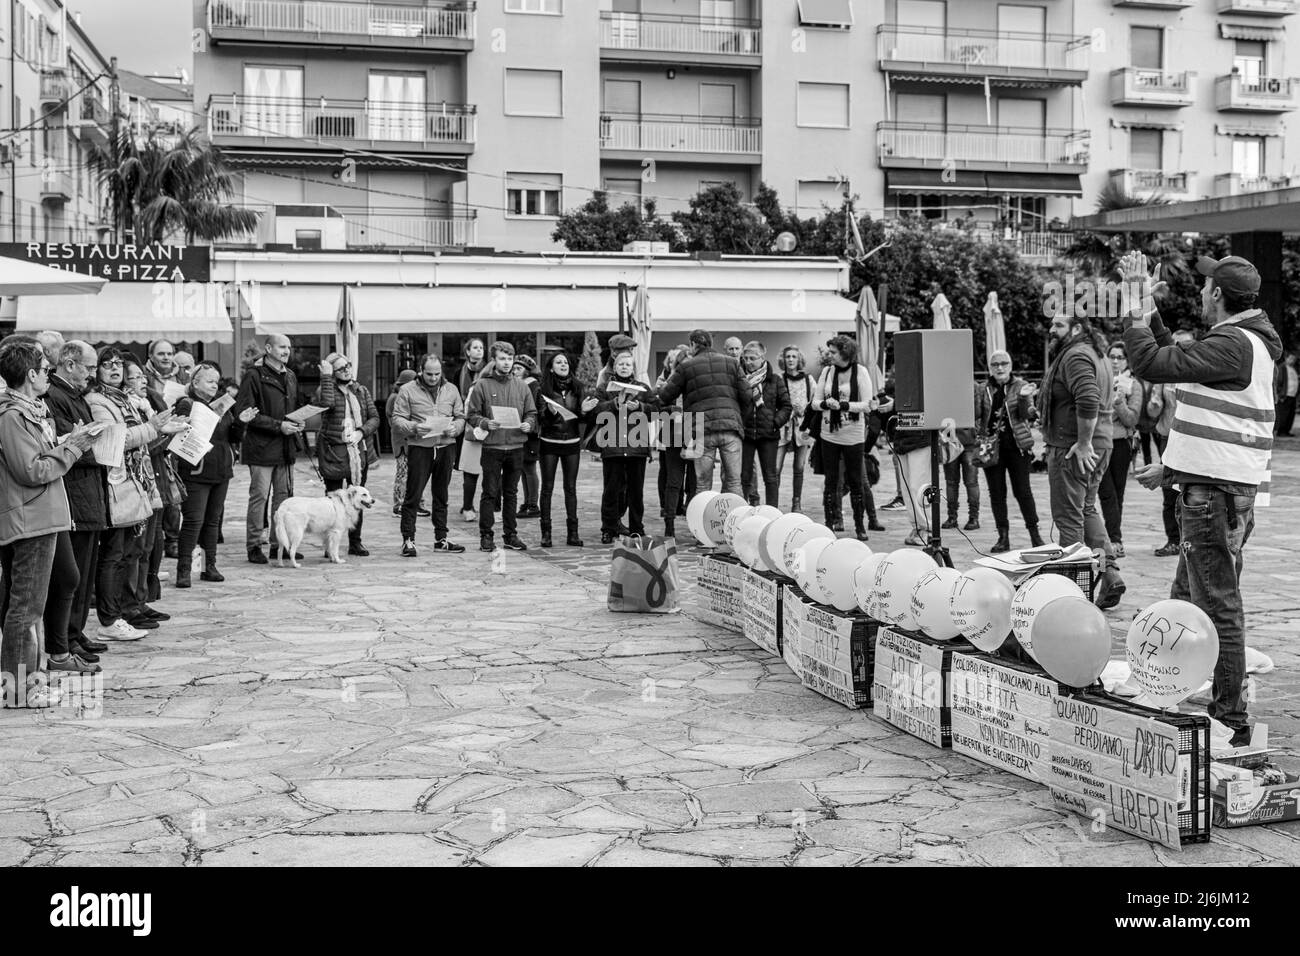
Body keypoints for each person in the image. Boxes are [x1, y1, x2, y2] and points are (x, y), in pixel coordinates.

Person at [1122, 251, 1282, 748]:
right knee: (1186, 602)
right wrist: (1172, 469)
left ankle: (1229, 719)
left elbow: (1150, 361)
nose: (1200, 291)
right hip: (1214, 490)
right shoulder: (1243, 342)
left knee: (1216, 608)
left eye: (1206, 284)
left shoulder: (1233, 344)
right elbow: (1178, 361)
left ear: (1217, 294)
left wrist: (1132, 304)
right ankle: (1168, 687)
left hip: (1214, 497)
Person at [0, 341, 105, 706]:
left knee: (30, 607)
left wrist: (66, 443)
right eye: (46, 369)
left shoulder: (28, 411)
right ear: (30, 374)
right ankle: (18, 689)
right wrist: (73, 447)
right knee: (26, 609)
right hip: (30, 519)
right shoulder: (12, 416)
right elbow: (32, 470)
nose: (49, 374)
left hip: (40, 517)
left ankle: (28, 678)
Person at [86, 347, 185, 641]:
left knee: (133, 550)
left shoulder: (123, 398)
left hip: (137, 479)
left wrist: (161, 428)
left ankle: (129, 607)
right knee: (115, 554)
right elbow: (118, 439)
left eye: (119, 364)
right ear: (98, 370)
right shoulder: (98, 401)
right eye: (108, 365)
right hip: (117, 484)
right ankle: (111, 616)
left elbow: (139, 434)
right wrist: (153, 427)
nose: (115, 369)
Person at [1039, 310, 1126, 609]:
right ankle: (1110, 573)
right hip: (1100, 442)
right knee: (1087, 509)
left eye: (1059, 324)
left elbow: (1088, 399)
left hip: (1074, 447)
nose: (1052, 329)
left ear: (1077, 328)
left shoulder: (1075, 355)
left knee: (1069, 519)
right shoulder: (1095, 353)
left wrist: (1083, 442)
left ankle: (1073, 592)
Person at [43, 340, 110, 664]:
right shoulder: (56, 396)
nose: (93, 374)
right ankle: (66, 637)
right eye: (90, 367)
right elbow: (69, 443)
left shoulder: (74, 395)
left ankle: (76, 630)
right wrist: (93, 442)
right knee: (71, 573)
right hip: (73, 492)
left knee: (84, 570)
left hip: (87, 491)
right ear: (70, 364)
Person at [174, 363, 252, 587]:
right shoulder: (186, 404)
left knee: (212, 521)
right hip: (196, 471)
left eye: (216, 381)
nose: (214, 385)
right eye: (209, 381)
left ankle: (209, 566)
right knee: (193, 521)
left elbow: (233, 437)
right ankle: (184, 569)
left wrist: (241, 422)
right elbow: (181, 435)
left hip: (221, 470)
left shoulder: (223, 404)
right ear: (195, 383)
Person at [651, 329, 752, 496]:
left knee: (703, 484)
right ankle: (734, 519)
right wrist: (740, 420)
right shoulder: (732, 363)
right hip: (731, 428)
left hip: (702, 429)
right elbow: (747, 396)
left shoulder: (686, 366)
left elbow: (665, 396)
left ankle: (700, 520)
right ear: (711, 344)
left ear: (692, 345)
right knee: (734, 481)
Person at [236, 334, 303, 564]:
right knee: (260, 498)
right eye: (282, 347)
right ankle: (254, 545)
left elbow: (292, 407)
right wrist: (278, 426)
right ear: (268, 348)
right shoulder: (254, 375)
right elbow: (245, 413)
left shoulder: (291, 376)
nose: (286, 351)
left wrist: (297, 421)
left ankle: (279, 545)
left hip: (286, 447)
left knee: (283, 500)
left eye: (289, 347)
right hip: (261, 447)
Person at [465, 341, 538, 552]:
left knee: (512, 493)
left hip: (516, 446)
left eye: (509, 359)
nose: (506, 363)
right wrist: (485, 423)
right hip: (492, 447)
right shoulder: (482, 385)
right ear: (494, 361)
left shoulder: (522, 386)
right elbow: (471, 415)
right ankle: (486, 536)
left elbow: (531, 412)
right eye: (502, 359)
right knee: (489, 493)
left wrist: (529, 424)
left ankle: (510, 535)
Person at [392, 354, 467, 557]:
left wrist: (456, 428)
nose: (433, 378)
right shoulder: (408, 390)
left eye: (437, 374)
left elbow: (461, 416)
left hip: (446, 446)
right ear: (420, 371)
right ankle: (408, 540)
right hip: (420, 447)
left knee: (441, 495)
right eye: (429, 374)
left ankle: (441, 539)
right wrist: (415, 427)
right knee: (413, 495)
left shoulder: (451, 389)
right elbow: (396, 418)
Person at [122, 358, 178, 622]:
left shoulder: (147, 405)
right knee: (135, 548)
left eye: (142, 377)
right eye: (134, 378)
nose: (141, 382)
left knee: (149, 546)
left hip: (154, 481)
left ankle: (141, 599)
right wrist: (166, 436)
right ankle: (130, 603)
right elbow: (139, 446)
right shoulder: (127, 408)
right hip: (138, 481)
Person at [975, 351, 1044, 554]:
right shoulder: (983, 389)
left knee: (1023, 491)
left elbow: (1026, 414)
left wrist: (1023, 399)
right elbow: (977, 414)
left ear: (1011, 365)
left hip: (1016, 446)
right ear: (990, 367)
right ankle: (1003, 537)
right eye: (995, 364)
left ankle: (1035, 534)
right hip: (990, 448)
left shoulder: (1021, 385)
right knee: (996, 493)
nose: (1000, 367)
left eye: (1004, 363)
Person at [314, 352, 380, 557]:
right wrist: (325, 378)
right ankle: (329, 546)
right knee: (332, 501)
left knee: (359, 499)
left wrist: (362, 431)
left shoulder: (360, 390)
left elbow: (374, 417)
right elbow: (327, 404)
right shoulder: (326, 389)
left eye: (348, 365)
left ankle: (355, 542)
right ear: (332, 372)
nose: (347, 369)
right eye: (341, 368)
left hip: (359, 452)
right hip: (335, 452)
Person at [812, 335, 875, 541]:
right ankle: (829, 523)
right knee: (831, 481)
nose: (829, 355)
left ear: (845, 352)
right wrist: (826, 405)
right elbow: (815, 402)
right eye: (829, 351)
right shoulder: (827, 372)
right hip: (829, 431)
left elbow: (867, 404)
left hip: (853, 433)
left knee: (856, 481)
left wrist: (844, 405)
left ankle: (860, 525)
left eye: (833, 352)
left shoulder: (861, 372)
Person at [538, 351, 598, 547]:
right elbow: (540, 417)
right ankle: (546, 533)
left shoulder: (577, 387)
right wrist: (550, 413)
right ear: (551, 367)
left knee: (570, 488)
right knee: (547, 488)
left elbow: (582, 419)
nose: (563, 365)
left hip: (571, 443)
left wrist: (585, 411)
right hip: (549, 442)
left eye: (565, 362)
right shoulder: (543, 388)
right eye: (558, 362)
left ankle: (573, 533)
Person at [595, 351, 652, 544]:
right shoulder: (604, 388)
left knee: (636, 491)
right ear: (615, 367)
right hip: (613, 445)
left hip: (637, 447)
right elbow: (595, 411)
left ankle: (637, 527)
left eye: (628, 364)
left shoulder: (643, 388)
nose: (625, 367)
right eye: (621, 364)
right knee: (611, 490)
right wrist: (613, 404)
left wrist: (641, 408)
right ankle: (609, 528)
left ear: (633, 368)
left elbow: (657, 409)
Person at [1148, 328, 1196, 557]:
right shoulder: (1166, 374)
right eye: (1177, 344)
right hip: (1167, 437)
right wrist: (1155, 402)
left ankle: (1191, 539)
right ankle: (1173, 539)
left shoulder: (1198, 373)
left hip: (1191, 439)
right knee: (1169, 491)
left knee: (1191, 491)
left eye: (1186, 344)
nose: (1181, 348)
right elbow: (1152, 409)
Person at [1098, 341, 1143, 559]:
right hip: (1099, 442)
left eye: (1120, 357)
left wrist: (1119, 402)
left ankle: (1114, 537)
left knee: (1117, 493)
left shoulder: (1133, 385)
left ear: (1126, 361)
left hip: (1120, 444)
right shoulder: (1100, 380)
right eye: (1112, 356)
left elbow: (1132, 419)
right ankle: (1114, 539)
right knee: (1105, 492)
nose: (1115, 361)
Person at [739, 341, 792, 508]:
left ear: (762, 358)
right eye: (745, 358)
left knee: (770, 476)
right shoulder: (739, 379)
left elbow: (786, 406)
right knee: (744, 476)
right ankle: (742, 510)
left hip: (768, 434)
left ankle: (772, 512)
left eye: (752, 358)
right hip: (746, 433)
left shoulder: (775, 380)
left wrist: (775, 422)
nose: (748, 361)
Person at [653, 346, 695, 537]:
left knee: (694, 481)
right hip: (675, 430)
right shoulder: (672, 381)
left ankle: (694, 521)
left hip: (697, 428)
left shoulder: (697, 380)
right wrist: (673, 411)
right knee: (674, 480)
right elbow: (659, 405)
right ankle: (669, 523)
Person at [776, 345, 814, 514]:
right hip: (783, 427)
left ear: (799, 360)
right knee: (776, 467)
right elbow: (773, 402)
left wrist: (804, 409)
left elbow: (815, 403)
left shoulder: (808, 380)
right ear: (783, 360)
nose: (790, 359)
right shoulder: (778, 379)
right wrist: (788, 410)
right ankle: (773, 501)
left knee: (799, 467)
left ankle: (796, 502)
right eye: (788, 356)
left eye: (794, 356)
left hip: (802, 428)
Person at [386, 370, 429, 517]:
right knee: (403, 474)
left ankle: (417, 504)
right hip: (403, 442)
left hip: (415, 441)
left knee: (418, 474)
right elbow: (397, 423)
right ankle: (399, 504)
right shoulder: (395, 398)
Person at [457, 338, 487, 523]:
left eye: (481, 348)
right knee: (470, 470)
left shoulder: (488, 372)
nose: (478, 351)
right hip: (467, 426)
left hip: (487, 424)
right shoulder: (459, 372)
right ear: (467, 351)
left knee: (492, 473)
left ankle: (492, 507)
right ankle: (467, 505)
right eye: (475, 348)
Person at [512, 355, 543, 520]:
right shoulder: (519, 384)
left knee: (530, 468)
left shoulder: (532, 384)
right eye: (514, 368)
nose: (515, 371)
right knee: (524, 469)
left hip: (530, 432)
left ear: (527, 370)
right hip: (520, 430)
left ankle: (533, 504)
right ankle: (527, 502)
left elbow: (535, 409)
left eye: (519, 368)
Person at [941, 418, 980, 532]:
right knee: (962, 482)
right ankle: (968, 517)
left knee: (965, 482)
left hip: (955, 437)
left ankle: (964, 517)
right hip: (957, 438)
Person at [1275, 351, 1298, 437]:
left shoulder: (1293, 368)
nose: (1293, 360)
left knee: (1290, 414)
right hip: (1284, 395)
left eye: (1294, 359)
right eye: (1291, 358)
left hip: (1292, 395)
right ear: (1286, 358)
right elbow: (1278, 382)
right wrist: (1280, 394)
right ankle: (1281, 431)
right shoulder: (1282, 368)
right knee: (1283, 414)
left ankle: (1287, 431)